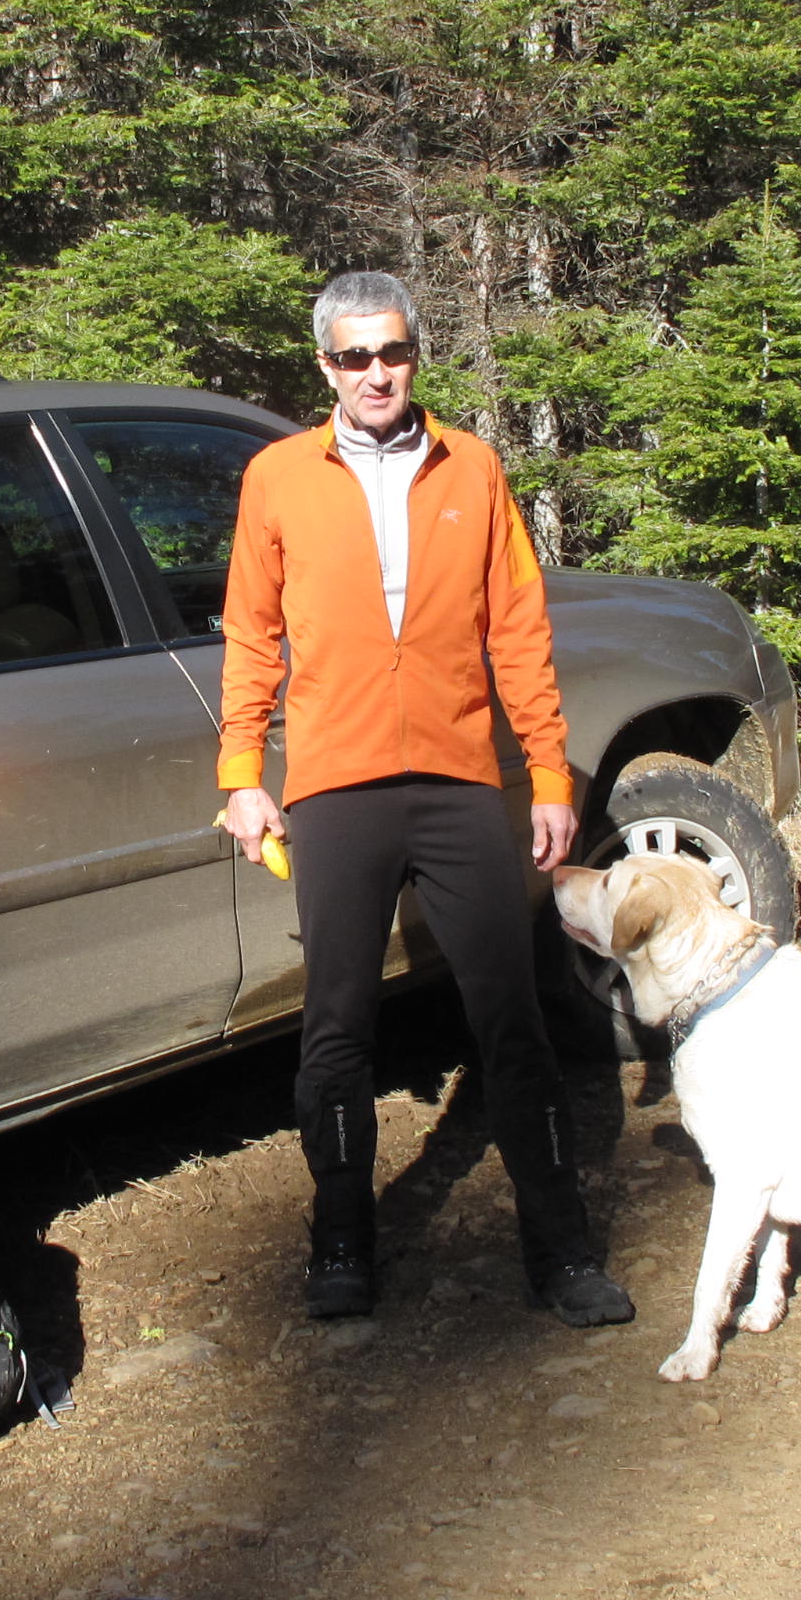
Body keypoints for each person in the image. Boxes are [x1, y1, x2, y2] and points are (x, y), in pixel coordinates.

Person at [217, 272, 634, 1328]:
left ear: (416, 355)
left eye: (392, 352)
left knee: (513, 1020)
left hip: (458, 782)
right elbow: (252, 635)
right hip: (337, 787)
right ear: (325, 366)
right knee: (337, 1026)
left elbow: (519, 631)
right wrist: (241, 777)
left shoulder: (474, 467)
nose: (376, 373)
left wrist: (548, 773)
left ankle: (563, 1249)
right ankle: (341, 1241)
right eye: (353, 356)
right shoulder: (277, 477)